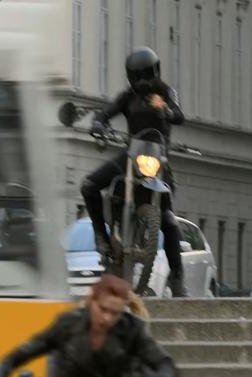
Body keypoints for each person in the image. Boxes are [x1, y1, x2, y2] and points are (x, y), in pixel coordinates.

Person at [80, 47, 187, 297]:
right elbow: (106, 113)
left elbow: (180, 116)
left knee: (169, 222)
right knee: (89, 185)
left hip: (158, 160)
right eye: (138, 76)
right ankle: (101, 236)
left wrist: (167, 110)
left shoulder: (166, 93)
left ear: (156, 72)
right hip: (131, 155)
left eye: (147, 75)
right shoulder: (127, 97)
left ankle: (178, 280)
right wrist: (99, 124)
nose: (143, 81)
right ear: (131, 77)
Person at [0, 275, 176, 377]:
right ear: (91, 301)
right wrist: (2, 370)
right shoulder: (67, 324)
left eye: (115, 313)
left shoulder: (132, 330)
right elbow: (21, 354)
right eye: (102, 309)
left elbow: (164, 363)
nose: (107, 318)